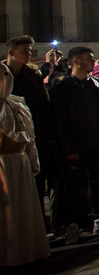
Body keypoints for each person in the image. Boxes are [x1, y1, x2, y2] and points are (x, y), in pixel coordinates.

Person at [51, 46, 99, 244]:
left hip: (96, 144)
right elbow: (60, 121)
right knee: (73, 188)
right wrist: (69, 148)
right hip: (75, 146)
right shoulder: (62, 88)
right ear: (75, 61)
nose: (93, 61)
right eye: (88, 58)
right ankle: (72, 226)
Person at [0, 62, 51, 266]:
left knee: (23, 207)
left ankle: (27, 252)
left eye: (6, 76)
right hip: (3, 163)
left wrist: (32, 159)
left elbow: (30, 136)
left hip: (19, 162)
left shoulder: (17, 103)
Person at [4, 36, 57, 231]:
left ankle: (38, 225)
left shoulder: (33, 76)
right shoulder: (3, 74)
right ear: (11, 53)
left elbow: (43, 105)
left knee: (36, 182)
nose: (29, 54)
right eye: (25, 50)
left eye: (30, 50)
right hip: (9, 139)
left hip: (35, 136)